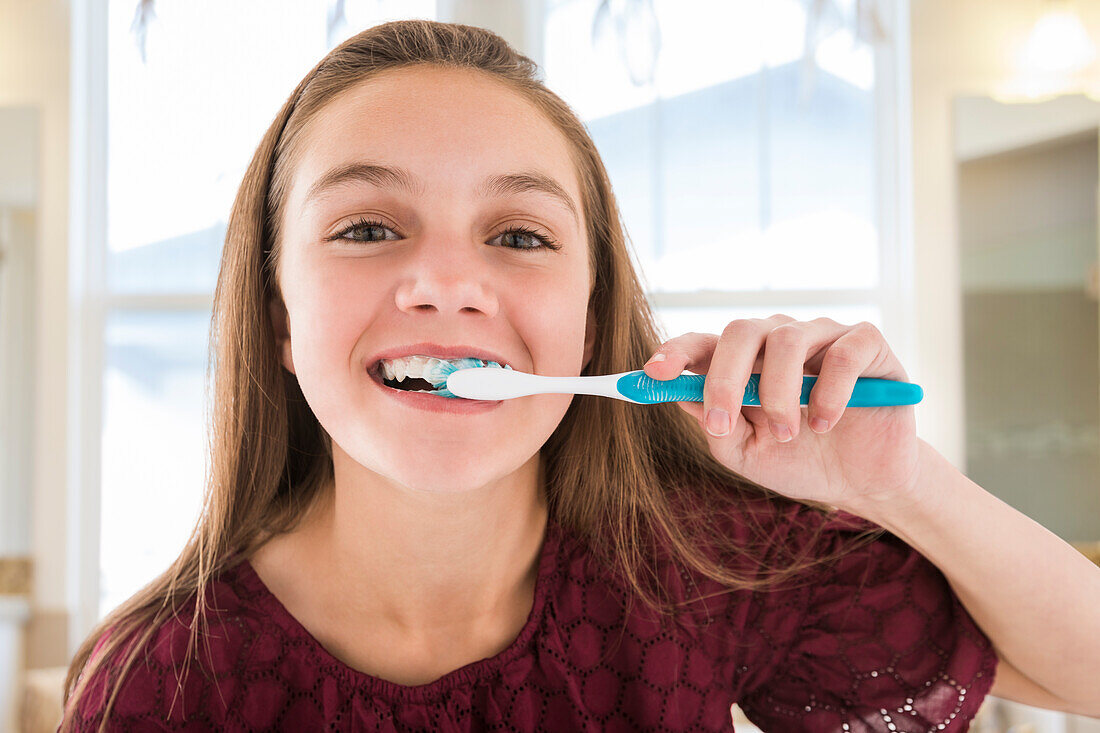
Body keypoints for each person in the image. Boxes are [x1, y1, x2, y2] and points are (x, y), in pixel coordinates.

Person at [61, 19, 1100, 732]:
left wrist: (898, 486)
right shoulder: (164, 677)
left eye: (516, 234)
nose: (443, 281)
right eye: (368, 227)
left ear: (590, 316)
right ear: (279, 314)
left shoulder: (703, 569)